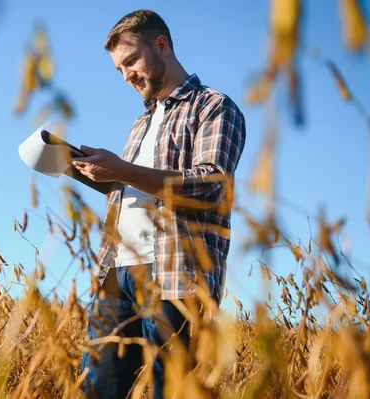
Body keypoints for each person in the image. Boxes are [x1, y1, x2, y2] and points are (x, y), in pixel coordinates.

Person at [72, 9, 246, 399]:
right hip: (116, 274)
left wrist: (123, 169)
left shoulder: (214, 107)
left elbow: (209, 186)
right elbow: (136, 188)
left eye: (130, 61)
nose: (126, 76)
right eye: (118, 69)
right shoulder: (140, 124)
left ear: (162, 45)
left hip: (175, 275)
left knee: (171, 391)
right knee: (94, 390)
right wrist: (98, 174)